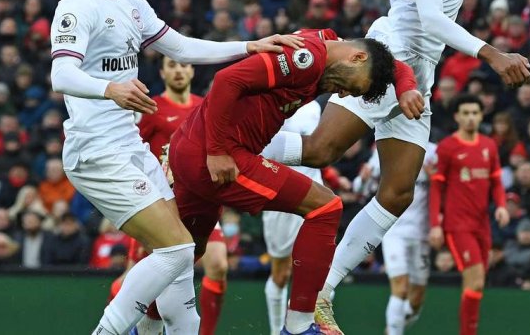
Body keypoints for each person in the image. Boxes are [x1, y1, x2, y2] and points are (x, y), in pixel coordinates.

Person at [263, 0, 530, 332]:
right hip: (390, 55)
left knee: (399, 190)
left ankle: (323, 291)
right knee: (323, 150)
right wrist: (491, 53)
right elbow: (430, 16)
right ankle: (224, 143)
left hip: (422, 67)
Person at [49, 0, 299, 335]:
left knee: (181, 260)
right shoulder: (77, 4)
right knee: (178, 249)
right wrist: (110, 88)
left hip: (128, 147)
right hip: (96, 152)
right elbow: (61, 72)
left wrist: (249, 46)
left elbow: (180, 47)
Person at [166, 28, 409, 335]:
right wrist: (216, 151)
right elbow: (227, 80)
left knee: (182, 251)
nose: (343, 95)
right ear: (357, 57)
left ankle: (144, 327)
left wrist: (407, 87)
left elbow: (391, 61)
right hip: (219, 157)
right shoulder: (306, 59)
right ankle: (298, 326)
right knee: (326, 207)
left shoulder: (325, 42)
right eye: (354, 88)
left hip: (190, 148)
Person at [112, 56, 228, 335]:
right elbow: (129, 149)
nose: (178, 71)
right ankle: (129, 326)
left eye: (183, 65)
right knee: (138, 276)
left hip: (198, 198)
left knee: (219, 264)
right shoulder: (151, 109)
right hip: (159, 202)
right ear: (162, 72)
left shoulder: (205, 106)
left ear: (192, 70)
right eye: (172, 66)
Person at [428, 95, 509, 335]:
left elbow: (496, 182)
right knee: (475, 281)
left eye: (475, 112)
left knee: (475, 286)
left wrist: (502, 205)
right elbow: (436, 187)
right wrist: (435, 224)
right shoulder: (448, 147)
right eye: (466, 113)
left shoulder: (489, 145)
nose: (471, 117)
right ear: (457, 117)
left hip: (482, 225)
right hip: (458, 225)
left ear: (482, 115)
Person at [260, 100, 324, 335]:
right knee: (281, 273)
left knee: (316, 271)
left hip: (316, 194)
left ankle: (309, 327)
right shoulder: (268, 102)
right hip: (279, 195)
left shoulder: (315, 108)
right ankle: (277, 330)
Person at [380, 142, 436, 335]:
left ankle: (393, 328)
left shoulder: (434, 152)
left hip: (422, 234)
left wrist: (434, 177)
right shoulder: (390, 145)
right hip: (394, 231)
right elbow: (364, 183)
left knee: (416, 301)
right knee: (400, 288)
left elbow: (444, 187)